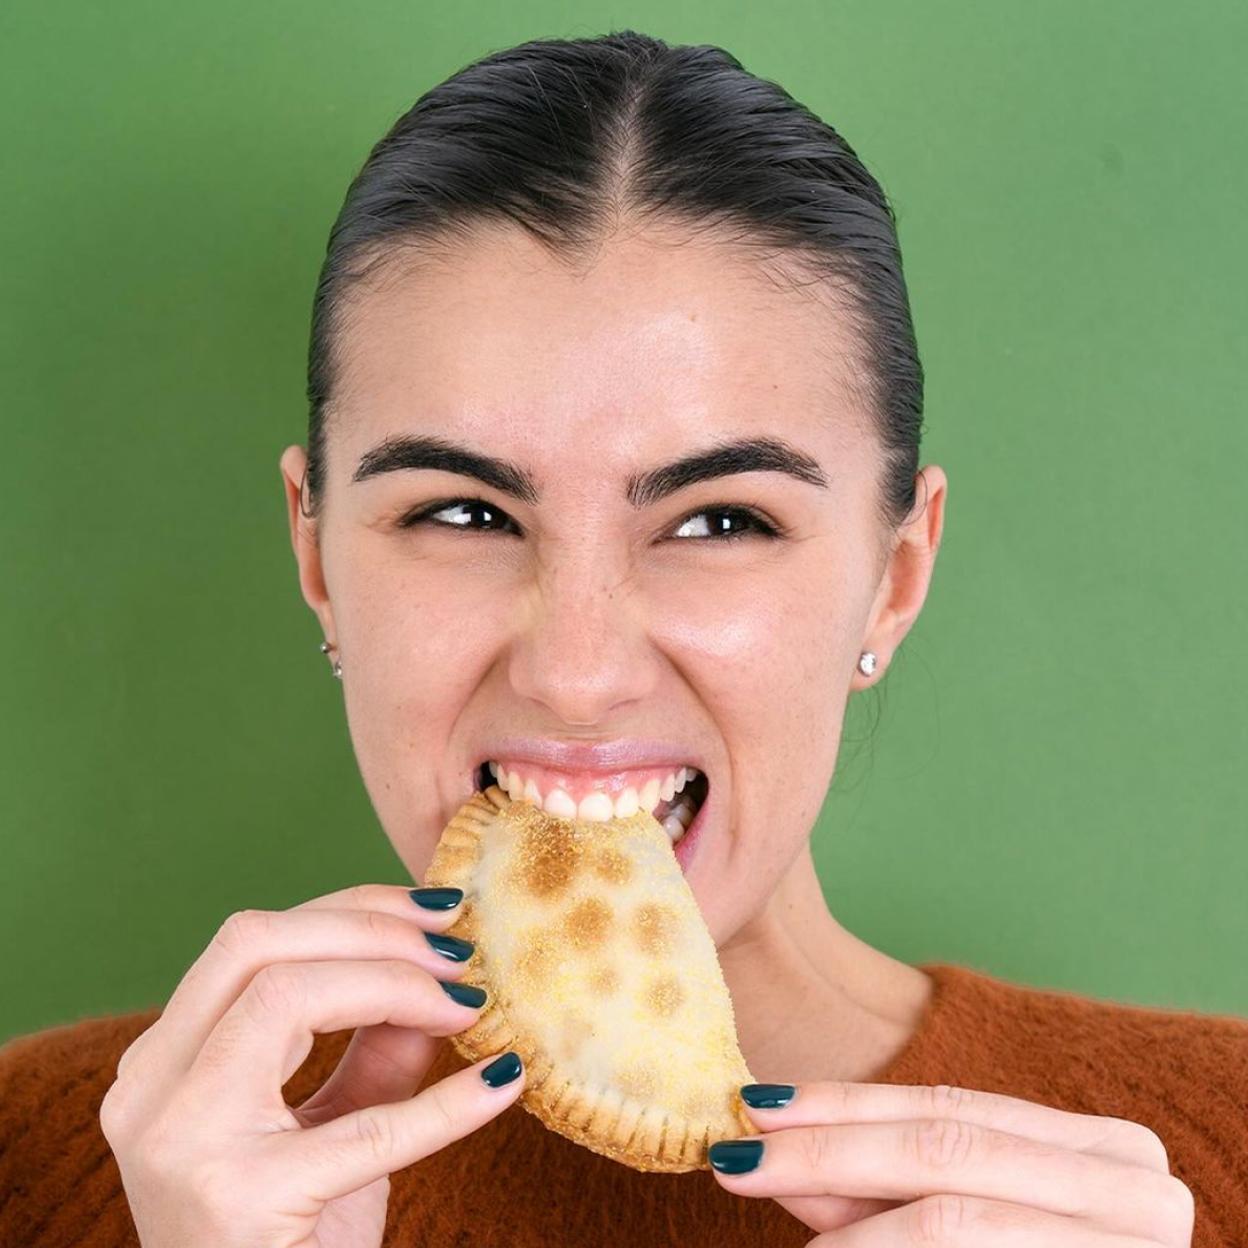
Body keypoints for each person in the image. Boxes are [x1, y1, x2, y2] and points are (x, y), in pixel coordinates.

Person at [2, 27, 1244, 1248]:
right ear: (316, 554)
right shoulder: (35, 1163)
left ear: (894, 576)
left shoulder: (1216, 1154)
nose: (577, 675)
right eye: (463, 512)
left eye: (719, 520)